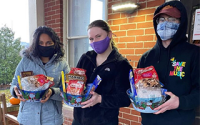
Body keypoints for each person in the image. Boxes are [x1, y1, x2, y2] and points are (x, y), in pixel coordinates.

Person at [137, 1, 200, 125]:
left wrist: (180, 102)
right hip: (150, 121)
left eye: (172, 19)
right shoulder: (146, 57)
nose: (165, 23)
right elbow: (139, 89)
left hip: (180, 121)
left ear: (181, 23)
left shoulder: (194, 54)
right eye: (161, 20)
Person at [72, 20, 132, 125]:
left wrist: (100, 99)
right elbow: (76, 82)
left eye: (98, 36)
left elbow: (125, 99)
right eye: (91, 39)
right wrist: (71, 90)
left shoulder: (121, 64)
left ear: (109, 34)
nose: (94, 41)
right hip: (79, 121)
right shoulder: (85, 58)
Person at [10, 26, 70, 125]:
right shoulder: (26, 61)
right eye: (41, 43)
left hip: (52, 120)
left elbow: (67, 89)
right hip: (27, 119)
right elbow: (14, 84)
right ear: (35, 44)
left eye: (49, 43)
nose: (44, 46)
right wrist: (15, 91)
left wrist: (52, 92)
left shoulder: (62, 63)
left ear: (54, 43)